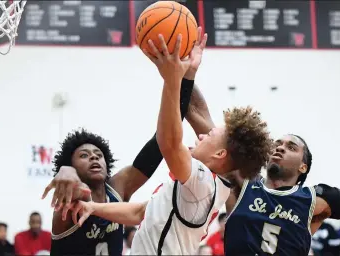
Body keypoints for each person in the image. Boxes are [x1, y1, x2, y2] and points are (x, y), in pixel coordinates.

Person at [67, 29, 273, 255]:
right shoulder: (201, 184)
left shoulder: (202, 183)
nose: (202, 135)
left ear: (220, 154)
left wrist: (172, 79)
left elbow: (169, 143)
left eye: (209, 136)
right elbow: (140, 213)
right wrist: (187, 71)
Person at [42, 29, 205, 255]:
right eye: (84, 155)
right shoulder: (68, 204)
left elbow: (162, 140)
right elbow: (71, 188)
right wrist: (65, 171)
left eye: (98, 155)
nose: (94, 158)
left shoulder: (118, 188)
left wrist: (183, 77)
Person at [184, 64, 340, 256]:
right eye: (278, 143)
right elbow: (197, 112)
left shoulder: (317, 200)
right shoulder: (241, 183)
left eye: (291, 147)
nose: (280, 147)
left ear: (303, 167)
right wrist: (183, 72)